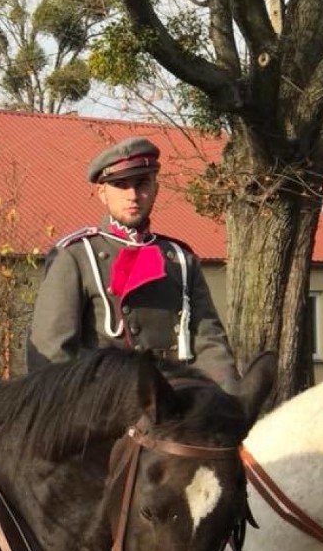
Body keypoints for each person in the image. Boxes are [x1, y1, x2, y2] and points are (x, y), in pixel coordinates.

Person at [27, 136, 239, 390]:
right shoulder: (76, 255)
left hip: (175, 399)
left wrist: (230, 403)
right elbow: (52, 354)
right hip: (102, 401)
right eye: (120, 185)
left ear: (156, 189)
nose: (133, 195)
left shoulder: (180, 259)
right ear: (102, 193)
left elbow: (209, 343)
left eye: (142, 184)